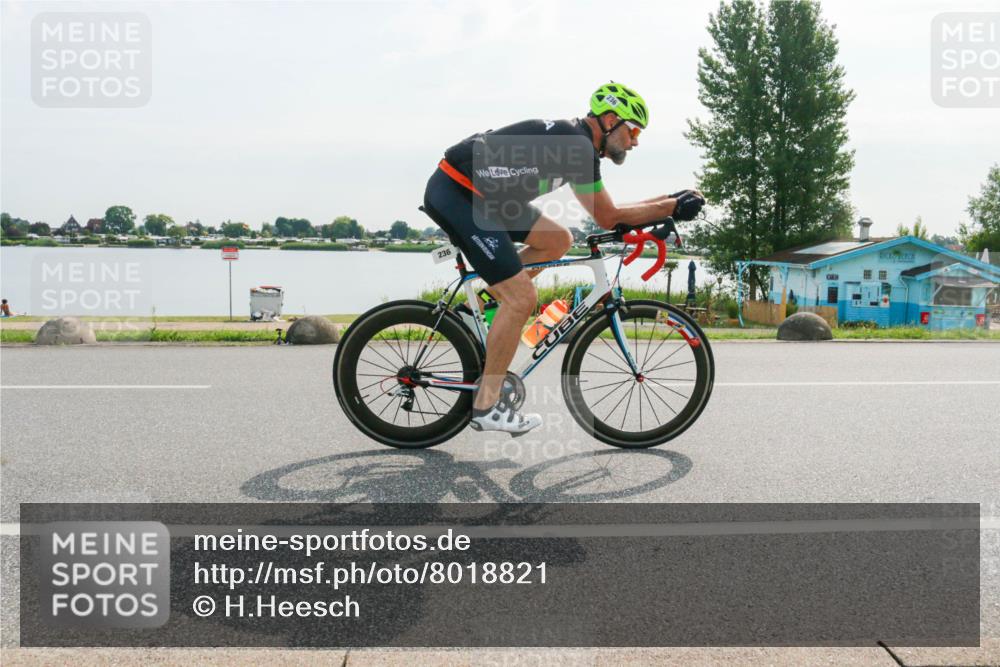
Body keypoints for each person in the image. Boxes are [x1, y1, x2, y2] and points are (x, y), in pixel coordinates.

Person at [422, 82, 705, 435]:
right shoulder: (576, 146)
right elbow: (607, 217)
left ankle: (481, 306)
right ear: (611, 119)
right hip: (459, 194)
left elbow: (610, 210)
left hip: (484, 199)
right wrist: (671, 207)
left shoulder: (576, 143)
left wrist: (669, 200)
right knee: (522, 298)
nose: (635, 142)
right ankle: (486, 407)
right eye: (633, 130)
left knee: (557, 239)